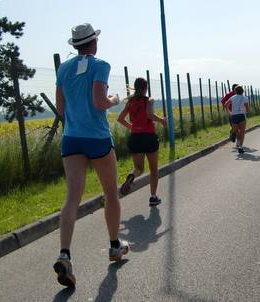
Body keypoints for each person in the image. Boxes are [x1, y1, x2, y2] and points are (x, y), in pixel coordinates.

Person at [54, 23, 129, 288]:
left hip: (71, 139)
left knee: (72, 197)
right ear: (94, 43)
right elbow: (99, 102)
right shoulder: (101, 65)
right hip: (97, 138)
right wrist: (115, 99)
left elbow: (60, 108)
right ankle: (114, 246)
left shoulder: (62, 69)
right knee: (110, 193)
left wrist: (76, 119)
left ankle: (65, 254)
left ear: (75, 45)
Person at [117, 77, 167, 206]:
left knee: (138, 168)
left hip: (135, 138)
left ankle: (131, 177)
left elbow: (120, 119)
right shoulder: (148, 100)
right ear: (146, 88)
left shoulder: (130, 102)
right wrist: (162, 120)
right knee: (153, 169)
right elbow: (150, 115)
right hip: (149, 137)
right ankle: (153, 197)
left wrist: (132, 127)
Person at [226, 86, 249, 154]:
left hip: (234, 116)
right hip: (241, 115)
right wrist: (245, 112)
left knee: (236, 130)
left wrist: (230, 112)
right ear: (243, 91)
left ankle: (233, 133)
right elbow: (247, 108)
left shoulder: (232, 97)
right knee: (242, 132)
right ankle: (240, 147)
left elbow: (226, 105)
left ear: (235, 91)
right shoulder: (245, 98)